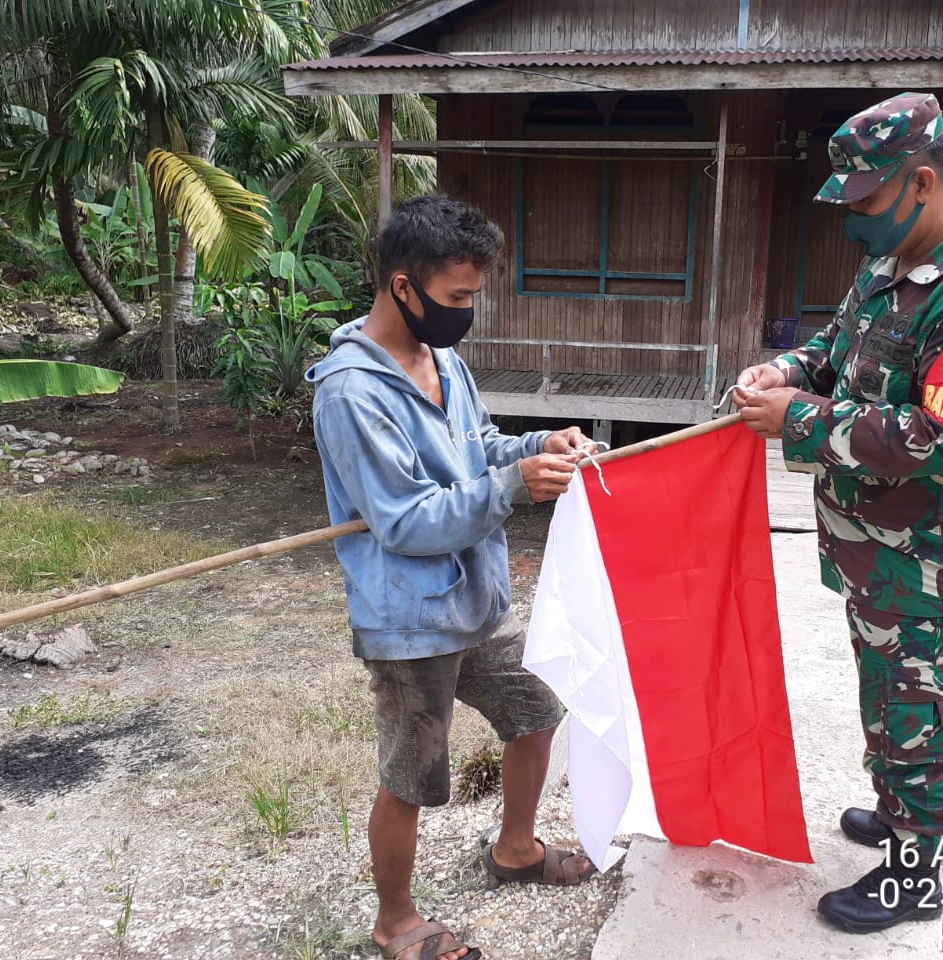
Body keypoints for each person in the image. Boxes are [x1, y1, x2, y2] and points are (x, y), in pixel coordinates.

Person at [734, 92, 943, 935]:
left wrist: (795, 418)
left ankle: (916, 869)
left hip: (938, 563)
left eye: (863, 203)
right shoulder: (892, 264)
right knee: (895, 703)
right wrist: (780, 371)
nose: (851, 222)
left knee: (925, 721)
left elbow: (940, 441)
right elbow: (835, 352)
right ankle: (903, 817)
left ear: (922, 181)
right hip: (886, 555)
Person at [307, 195, 597, 960]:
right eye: (457, 298)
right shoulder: (351, 391)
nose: (466, 311)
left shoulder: (445, 362)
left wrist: (539, 442)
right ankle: (396, 922)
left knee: (536, 713)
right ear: (404, 285)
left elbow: (478, 446)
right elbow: (403, 520)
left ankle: (516, 850)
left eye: (473, 296)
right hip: (410, 621)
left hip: (478, 600)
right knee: (412, 774)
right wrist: (514, 486)